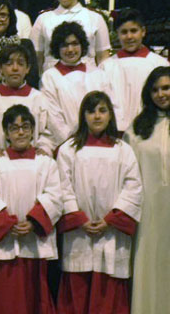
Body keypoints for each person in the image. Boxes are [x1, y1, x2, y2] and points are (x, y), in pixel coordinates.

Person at [56, 91, 143, 314]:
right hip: (79, 233)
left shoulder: (123, 150)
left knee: (109, 293)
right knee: (78, 288)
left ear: (110, 115)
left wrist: (111, 220)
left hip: (111, 233)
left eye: (102, 110)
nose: (97, 116)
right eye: (91, 110)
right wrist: (79, 219)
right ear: (83, 115)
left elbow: (133, 187)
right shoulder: (69, 150)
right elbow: (62, 187)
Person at [0, 104, 62, 314]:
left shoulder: (46, 163)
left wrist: (34, 222)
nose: (20, 132)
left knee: (36, 296)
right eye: (14, 128)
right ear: (6, 133)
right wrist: (7, 223)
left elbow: (55, 196)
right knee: (4, 298)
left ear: (32, 131)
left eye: (25, 127)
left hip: (34, 241)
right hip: (6, 241)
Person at [123, 66, 170, 313]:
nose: (161, 94)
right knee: (148, 262)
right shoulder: (137, 129)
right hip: (149, 212)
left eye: (166, 88)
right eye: (155, 89)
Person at [40, 21, 116, 143]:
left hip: (99, 140)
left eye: (75, 44)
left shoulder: (98, 74)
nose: (70, 49)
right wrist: (72, 141)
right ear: (57, 48)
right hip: (69, 143)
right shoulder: (50, 77)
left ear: (82, 45)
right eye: (64, 45)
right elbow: (53, 117)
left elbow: (110, 106)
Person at [30, 0, 111, 72]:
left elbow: (103, 58)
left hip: (88, 81)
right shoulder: (43, 19)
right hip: (52, 82)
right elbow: (36, 59)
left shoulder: (95, 18)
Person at [0, 44, 54, 159]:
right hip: (0, 162)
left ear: (28, 68)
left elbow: (48, 131)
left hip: (33, 161)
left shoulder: (39, 99)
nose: (15, 68)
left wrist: (44, 147)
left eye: (20, 63)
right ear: (0, 68)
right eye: (9, 64)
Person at [99, 8, 168, 132]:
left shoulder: (159, 64)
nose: (129, 36)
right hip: (115, 131)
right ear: (117, 34)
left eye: (134, 31)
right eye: (124, 32)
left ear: (143, 31)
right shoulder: (107, 67)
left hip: (152, 130)